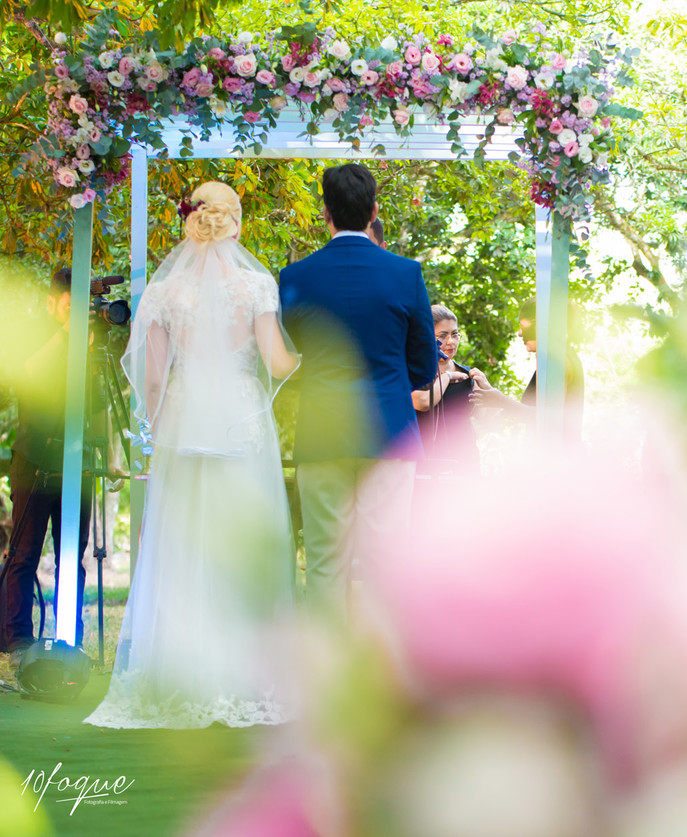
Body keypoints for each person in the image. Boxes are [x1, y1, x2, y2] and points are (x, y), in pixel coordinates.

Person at [85, 181, 300, 729]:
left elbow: (152, 379)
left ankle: (179, 673)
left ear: (190, 222)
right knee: (240, 542)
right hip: (240, 423)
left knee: (181, 546)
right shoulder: (256, 285)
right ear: (237, 223)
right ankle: (243, 674)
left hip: (183, 422)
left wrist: (158, 432)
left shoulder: (164, 292)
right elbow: (276, 364)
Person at [279, 164, 438, 620]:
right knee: (386, 561)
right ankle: (381, 675)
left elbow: (289, 356)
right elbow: (425, 365)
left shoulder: (295, 278)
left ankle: (326, 678)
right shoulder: (405, 273)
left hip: (322, 432)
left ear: (324, 213)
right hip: (388, 430)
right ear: (373, 212)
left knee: (325, 563)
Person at [0, 268, 90, 655]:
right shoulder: (37, 334)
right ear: (53, 303)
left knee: (73, 556)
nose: (74, 314)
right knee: (24, 554)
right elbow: (27, 375)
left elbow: (98, 403)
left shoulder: (91, 340)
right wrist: (66, 334)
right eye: (69, 306)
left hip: (78, 461)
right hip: (34, 457)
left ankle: (70, 639)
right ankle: (18, 642)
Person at [469, 299, 585, 440]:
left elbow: (550, 420)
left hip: (558, 457)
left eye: (523, 326)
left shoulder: (557, 361)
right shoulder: (556, 357)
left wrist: (501, 400)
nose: (519, 333)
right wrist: (489, 391)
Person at [412, 305, 479, 476]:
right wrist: (447, 377)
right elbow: (423, 402)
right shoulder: (414, 372)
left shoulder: (467, 374)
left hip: (462, 466)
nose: (451, 342)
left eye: (455, 334)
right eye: (442, 336)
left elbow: (480, 418)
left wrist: (486, 390)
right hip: (422, 467)